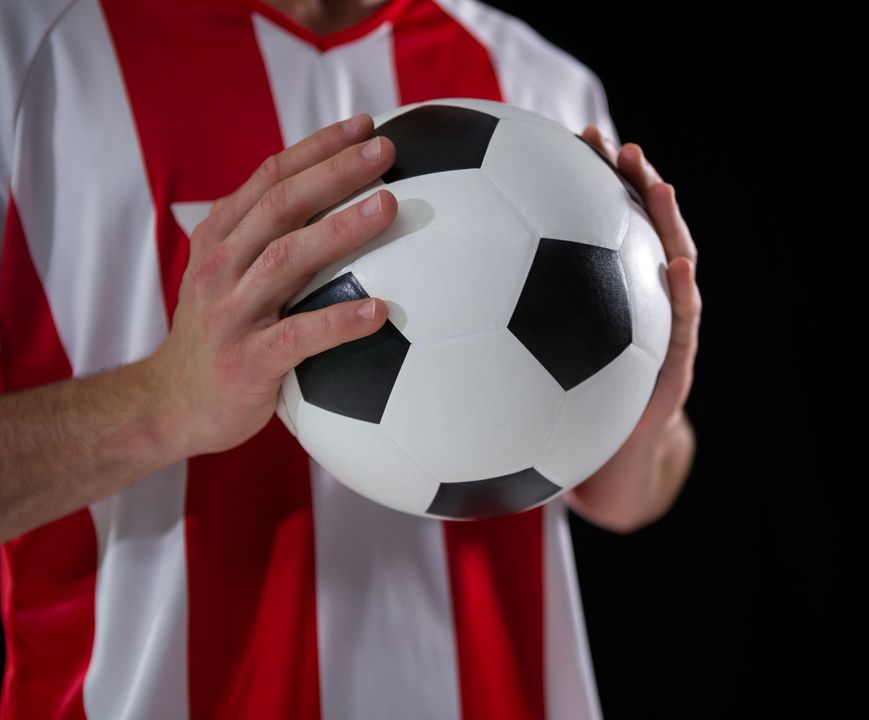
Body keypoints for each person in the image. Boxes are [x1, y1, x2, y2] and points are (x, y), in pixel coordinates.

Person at [0, 0, 701, 717]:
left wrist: (642, 423)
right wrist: (163, 403)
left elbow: (630, 495)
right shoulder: (31, 58)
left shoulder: (544, 87)